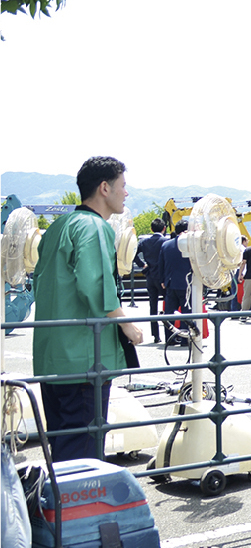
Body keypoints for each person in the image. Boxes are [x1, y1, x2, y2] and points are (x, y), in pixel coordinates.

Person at [32, 156, 144, 461]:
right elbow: (95, 286)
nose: (126, 193)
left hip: (51, 356)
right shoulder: (94, 227)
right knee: (83, 452)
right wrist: (127, 325)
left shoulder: (58, 227)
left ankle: (59, 493)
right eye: (123, 186)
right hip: (84, 358)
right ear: (105, 188)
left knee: (62, 445)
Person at [135, 217, 167, 343]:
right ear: (164, 228)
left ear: (151, 229)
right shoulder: (165, 241)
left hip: (150, 276)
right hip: (162, 277)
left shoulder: (144, 242)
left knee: (153, 306)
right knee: (167, 305)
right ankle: (168, 333)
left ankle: (155, 335)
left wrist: (142, 265)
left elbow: (134, 254)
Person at [159, 221, 191, 343]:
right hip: (186, 283)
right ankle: (184, 339)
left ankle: (170, 338)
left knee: (169, 313)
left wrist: (163, 280)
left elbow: (161, 264)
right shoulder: (190, 245)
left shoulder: (166, 245)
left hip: (170, 283)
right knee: (186, 313)